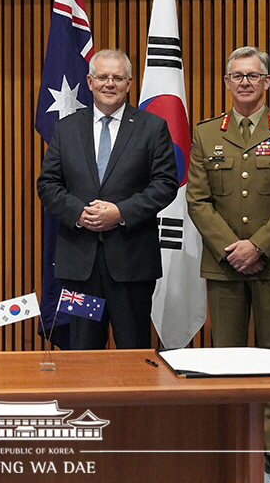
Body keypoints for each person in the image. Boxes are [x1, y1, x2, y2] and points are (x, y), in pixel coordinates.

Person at [185, 46, 270, 483]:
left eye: (252, 76)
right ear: (226, 82)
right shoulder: (205, 134)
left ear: (266, 82)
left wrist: (257, 246)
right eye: (236, 76)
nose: (243, 82)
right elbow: (197, 201)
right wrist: (231, 248)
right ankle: (233, 445)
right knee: (226, 359)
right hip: (224, 266)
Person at [36, 48, 178, 350]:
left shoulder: (151, 128)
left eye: (117, 78)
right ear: (89, 82)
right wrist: (78, 212)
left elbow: (165, 184)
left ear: (129, 83)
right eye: (102, 77)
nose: (109, 84)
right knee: (83, 349)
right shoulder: (68, 128)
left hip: (131, 265)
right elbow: (47, 184)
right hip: (80, 268)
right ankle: (87, 401)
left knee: (133, 348)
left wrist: (120, 212)